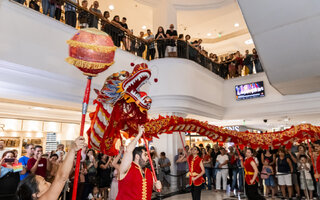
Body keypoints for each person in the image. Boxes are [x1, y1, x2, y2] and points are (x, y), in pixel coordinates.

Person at [16, 136, 85, 200]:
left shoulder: (44, 160)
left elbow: (49, 170)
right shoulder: (22, 159)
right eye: (45, 183)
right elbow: (61, 178)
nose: (49, 183)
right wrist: (72, 149)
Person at [117, 126, 161, 199]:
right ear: (137, 156)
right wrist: (139, 134)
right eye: (145, 155)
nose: (148, 157)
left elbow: (154, 188)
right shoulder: (127, 168)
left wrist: (157, 187)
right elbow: (128, 151)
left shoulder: (149, 172)